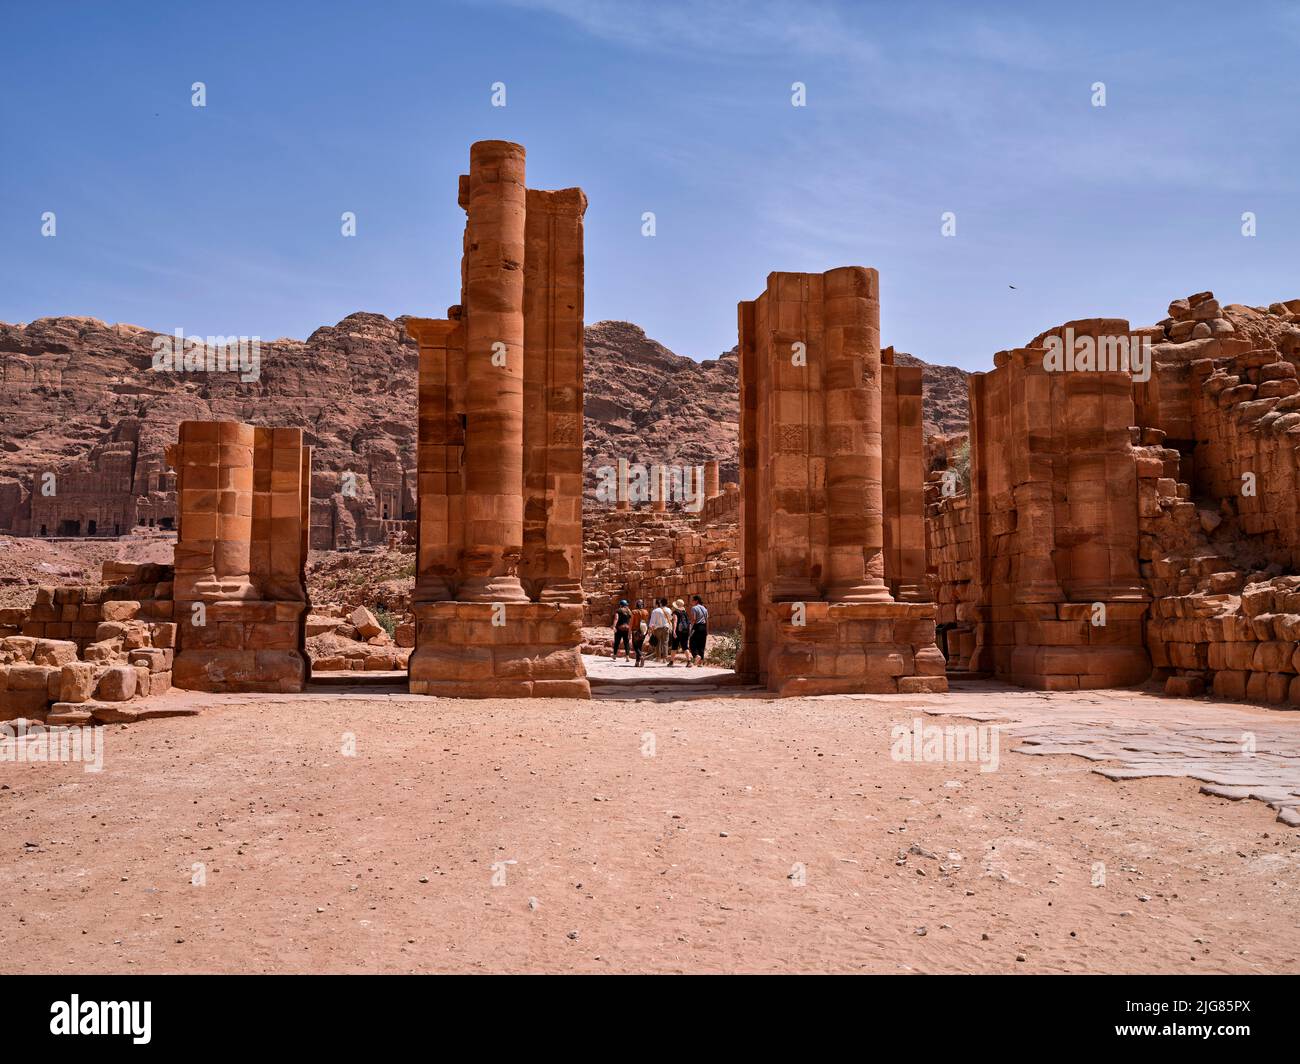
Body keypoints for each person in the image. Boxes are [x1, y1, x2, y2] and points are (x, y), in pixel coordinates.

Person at [649, 598, 672, 665]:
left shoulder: (655, 611)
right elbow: (670, 618)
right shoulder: (669, 610)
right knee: (665, 643)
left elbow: (652, 622)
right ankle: (665, 659)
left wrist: (651, 629)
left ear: (660, 603)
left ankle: (658, 658)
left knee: (658, 643)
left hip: (657, 628)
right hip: (666, 628)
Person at [688, 594, 709, 666]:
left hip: (696, 627)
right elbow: (707, 620)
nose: (692, 602)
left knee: (692, 643)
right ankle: (701, 662)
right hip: (704, 627)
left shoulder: (694, 608)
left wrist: (691, 628)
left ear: (696, 601)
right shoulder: (705, 609)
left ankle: (696, 655)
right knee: (702, 645)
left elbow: (694, 619)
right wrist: (707, 630)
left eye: (693, 600)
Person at [671, 598, 691, 665]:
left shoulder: (675, 612)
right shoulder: (685, 613)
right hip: (685, 631)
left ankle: (671, 662)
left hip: (678, 631)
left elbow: (675, 621)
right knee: (685, 647)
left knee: (674, 646)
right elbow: (689, 623)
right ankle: (689, 662)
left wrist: (674, 631)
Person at [630, 599, 648, 667]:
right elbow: (646, 621)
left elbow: (631, 622)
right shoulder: (646, 612)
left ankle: (641, 656)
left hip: (635, 631)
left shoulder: (634, 612)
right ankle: (637, 662)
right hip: (643, 630)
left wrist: (629, 632)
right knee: (639, 646)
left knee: (635, 646)